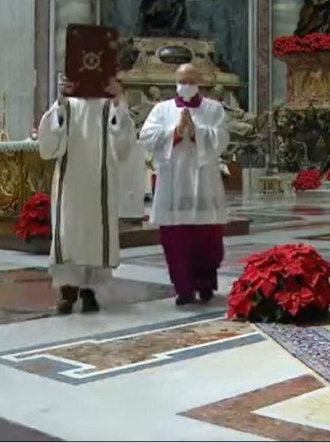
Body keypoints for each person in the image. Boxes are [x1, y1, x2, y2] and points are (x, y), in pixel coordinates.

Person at [37, 76, 136, 314]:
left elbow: (123, 143)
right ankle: (67, 291)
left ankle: (90, 291)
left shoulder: (107, 104)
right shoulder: (68, 104)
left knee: (95, 231)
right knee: (69, 232)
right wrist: (60, 101)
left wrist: (119, 101)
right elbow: (49, 143)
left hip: (100, 180)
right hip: (71, 182)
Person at [139, 64, 229, 305]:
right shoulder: (162, 110)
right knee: (176, 238)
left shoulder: (214, 109)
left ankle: (206, 283)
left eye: (190, 80)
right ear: (175, 82)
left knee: (207, 237)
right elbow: (146, 136)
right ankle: (183, 288)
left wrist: (197, 130)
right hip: (173, 180)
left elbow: (222, 139)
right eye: (182, 81)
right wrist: (176, 132)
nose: (186, 85)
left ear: (199, 82)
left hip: (204, 182)